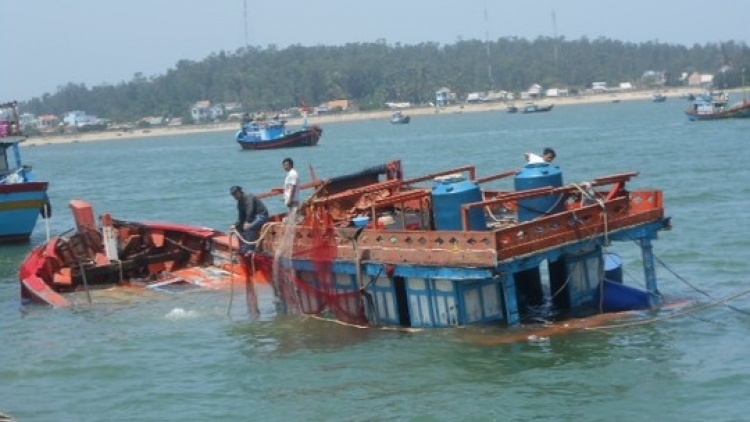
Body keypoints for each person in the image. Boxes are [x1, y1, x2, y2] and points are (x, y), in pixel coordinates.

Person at [230, 185, 269, 254]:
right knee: (238, 228)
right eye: (233, 195)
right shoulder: (239, 203)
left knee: (248, 228)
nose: (235, 196)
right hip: (253, 217)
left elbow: (250, 210)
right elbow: (241, 217)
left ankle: (252, 248)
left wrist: (247, 222)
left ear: (240, 192)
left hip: (261, 216)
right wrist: (235, 225)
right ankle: (243, 247)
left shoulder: (248, 197)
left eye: (236, 193)